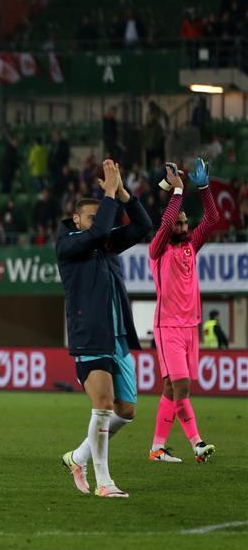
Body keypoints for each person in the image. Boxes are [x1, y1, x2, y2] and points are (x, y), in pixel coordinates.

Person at [57, 160, 152, 498]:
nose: (100, 224)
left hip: (118, 339)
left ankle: (77, 457)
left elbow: (143, 226)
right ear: (77, 221)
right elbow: (98, 232)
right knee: (102, 406)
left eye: (101, 217)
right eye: (92, 218)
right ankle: (104, 483)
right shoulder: (68, 245)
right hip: (89, 336)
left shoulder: (105, 246)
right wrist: (108, 195)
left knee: (125, 412)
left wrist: (124, 194)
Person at [148, 159, 218, 464]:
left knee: (170, 388)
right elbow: (165, 224)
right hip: (168, 327)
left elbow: (213, 219)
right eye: (178, 222)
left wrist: (203, 188)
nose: (181, 226)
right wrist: (177, 191)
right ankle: (197, 444)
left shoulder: (191, 245)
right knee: (182, 387)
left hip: (191, 326)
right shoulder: (159, 248)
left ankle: (157, 448)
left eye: (185, 223)